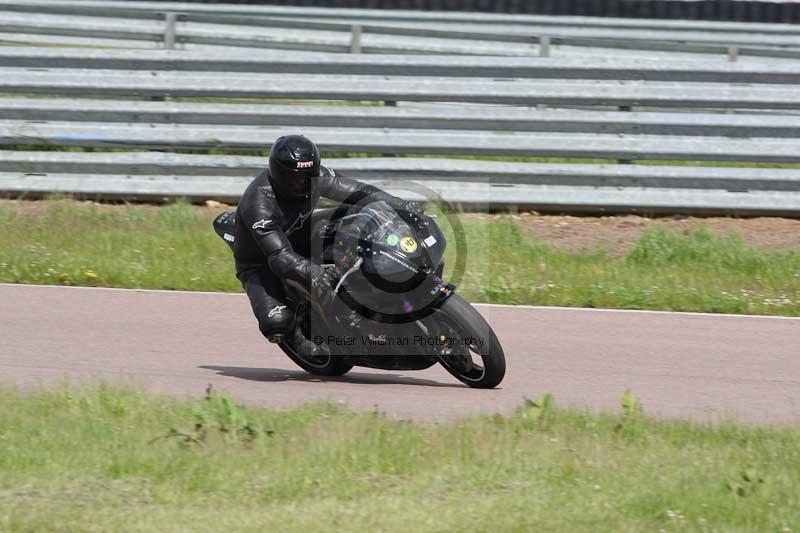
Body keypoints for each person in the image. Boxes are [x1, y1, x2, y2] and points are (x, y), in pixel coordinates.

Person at [233, 134, 422, 356]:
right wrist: (317, 274)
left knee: (359, 220)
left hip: (301, 233)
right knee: (276, 323)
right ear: (278, 174)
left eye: (308, 176)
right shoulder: (259, 204)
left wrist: (401, 205)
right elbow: (280, 258)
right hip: (263, 260)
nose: (302, 183)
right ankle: (306, 343)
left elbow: (359, 192)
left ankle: (371, 283)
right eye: (295, 178)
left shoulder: (316, 178)